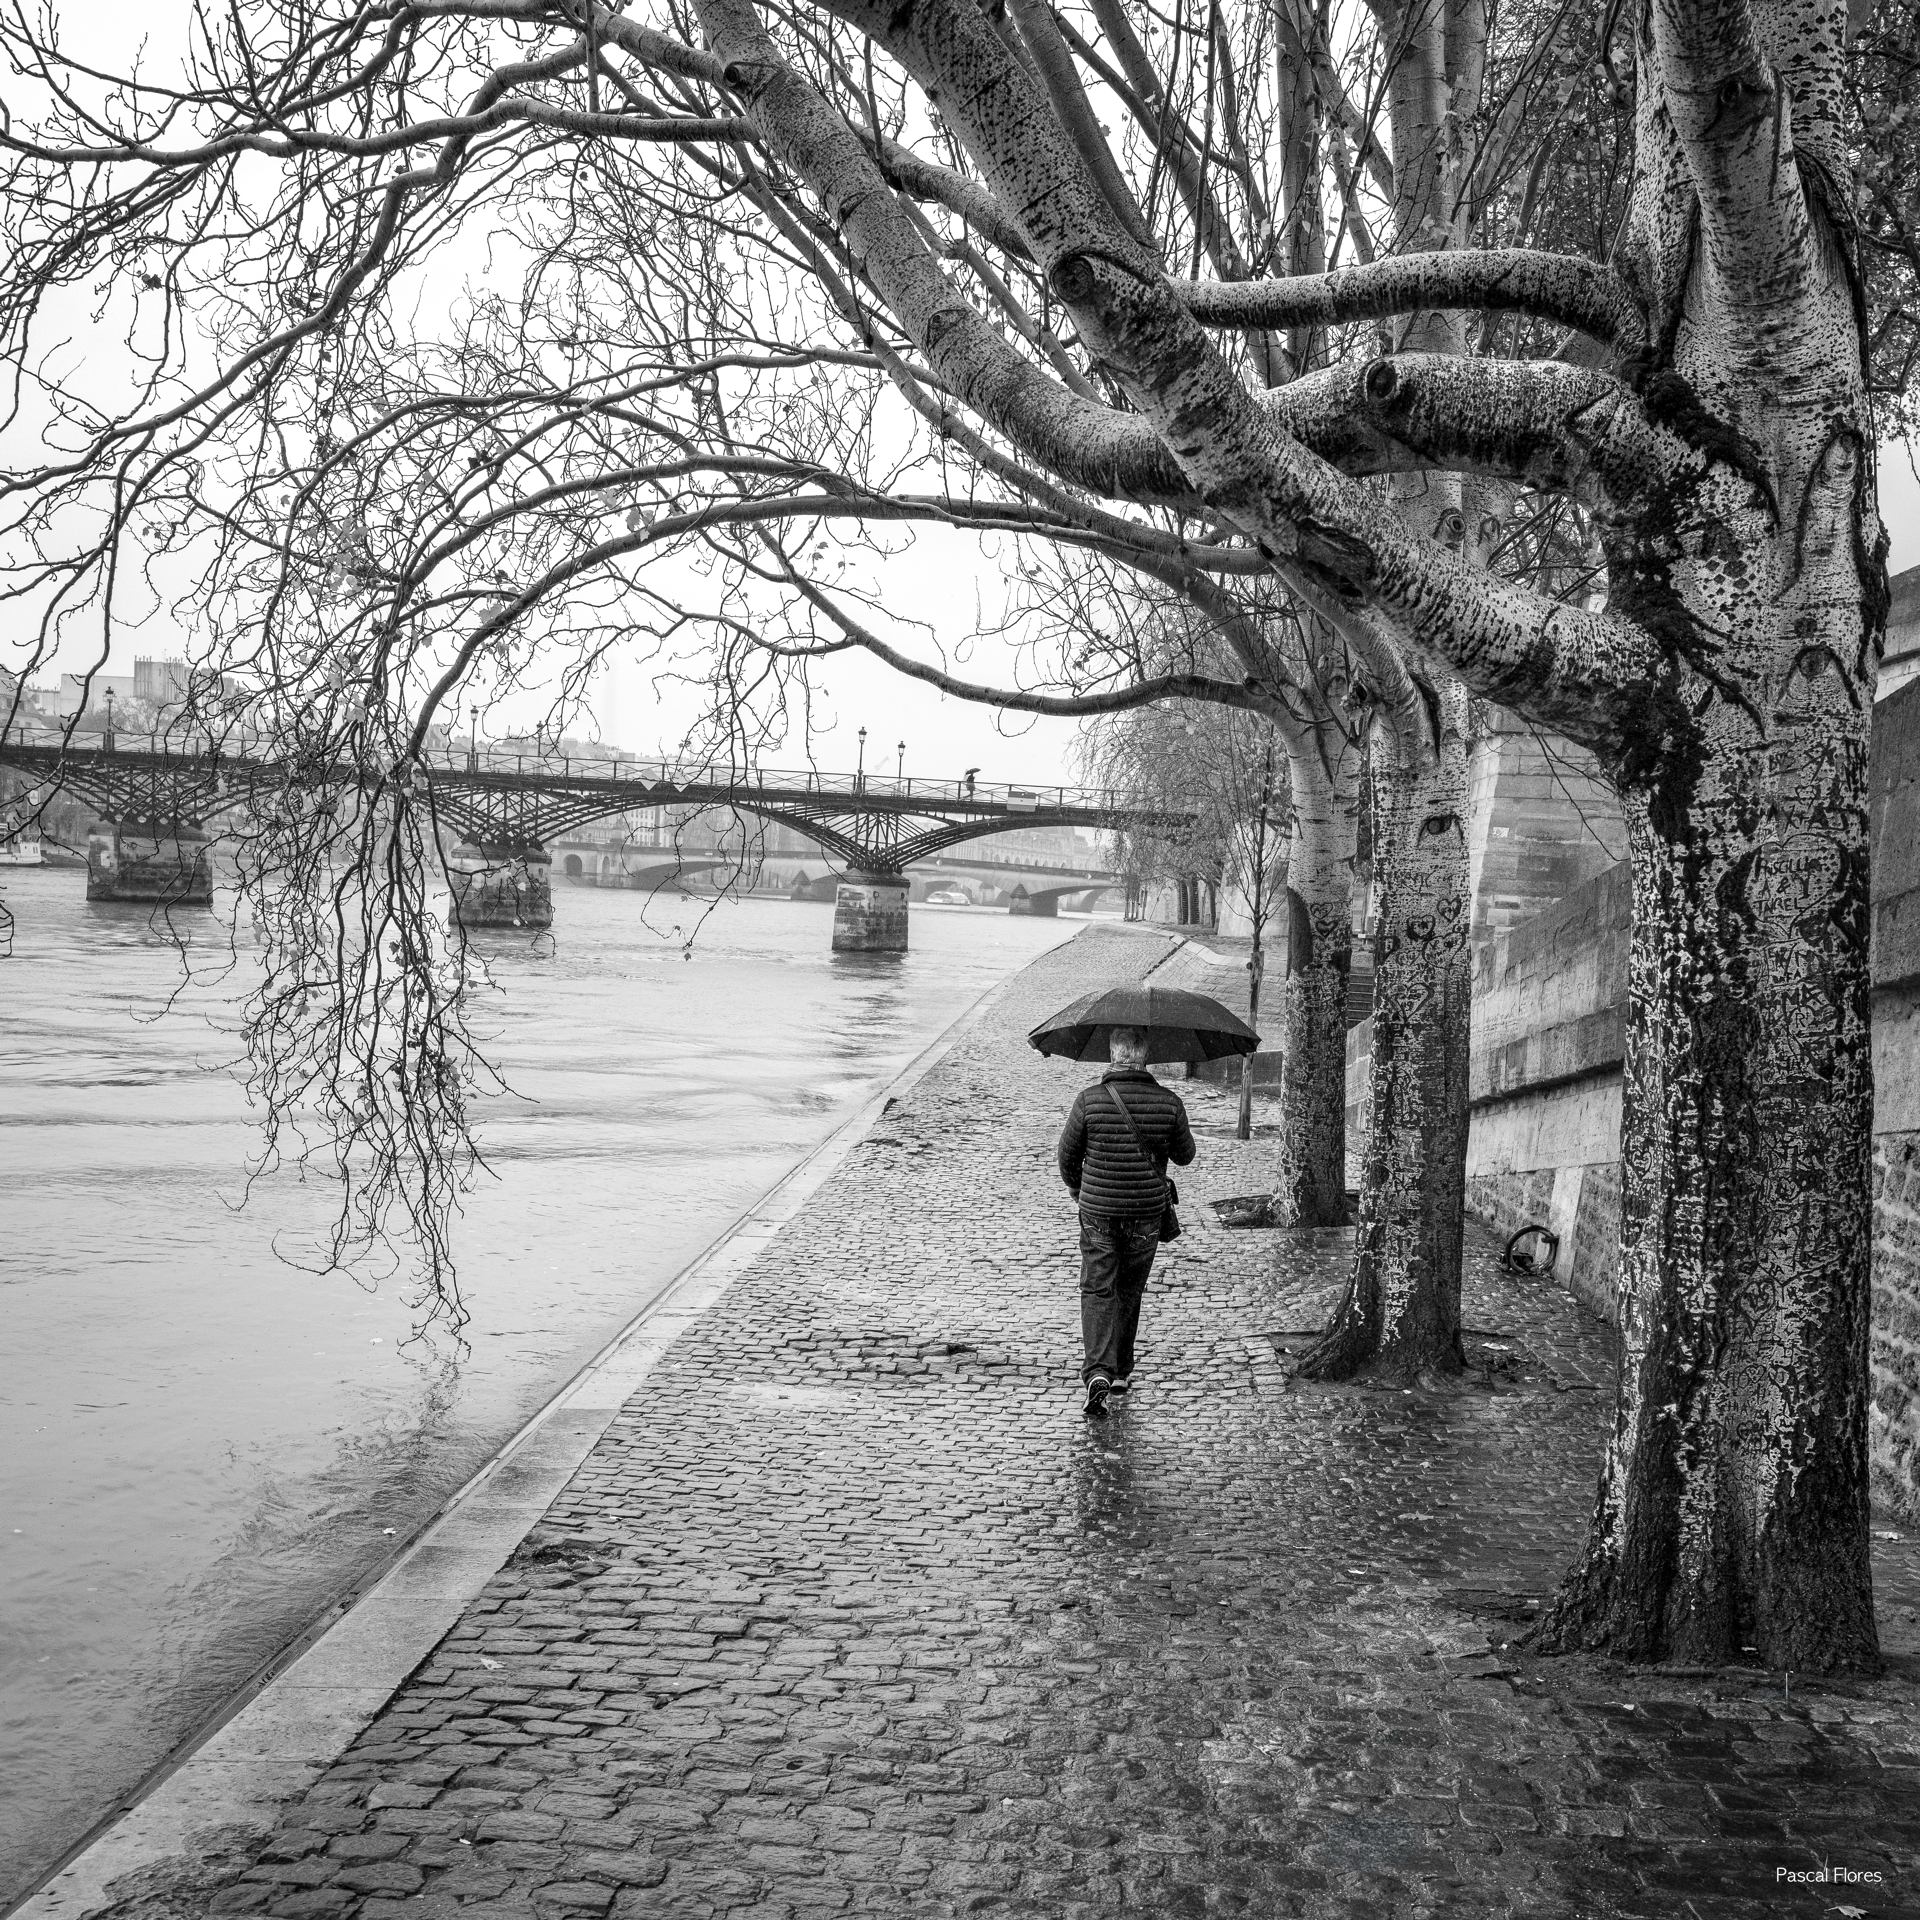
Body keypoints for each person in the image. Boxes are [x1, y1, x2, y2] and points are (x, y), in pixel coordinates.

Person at [1056, 1025, 1196, 1418]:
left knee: (1098, 1288)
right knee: (1130, 1289)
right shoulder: (1169, 1102)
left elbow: (1066, 1157)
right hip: (1146, 1214)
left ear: (1112, 1055)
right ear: (1144, 1057)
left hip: (1098, 1211)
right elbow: (1185, 1156)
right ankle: (1119, 1372)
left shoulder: (1090, 1101)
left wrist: (1079, 1188)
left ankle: (1097, 1372)